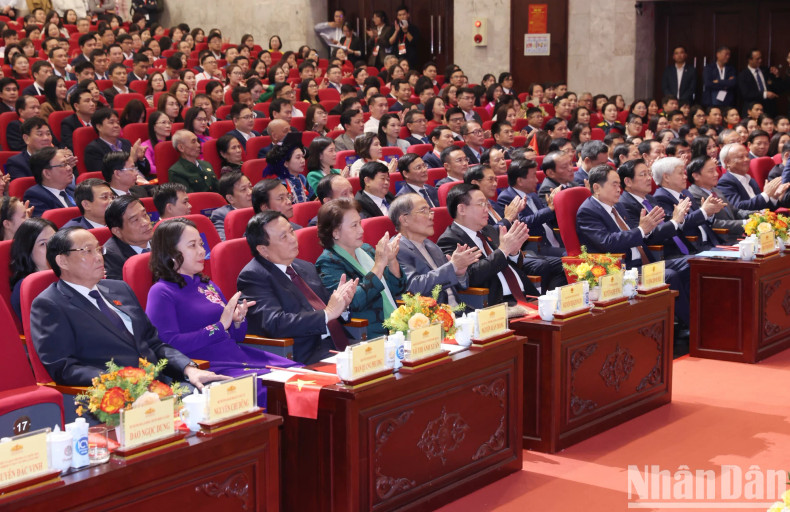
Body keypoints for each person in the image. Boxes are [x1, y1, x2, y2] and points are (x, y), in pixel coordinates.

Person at [30, 226, 226, 388]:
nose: (99, 257)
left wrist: (187, 368)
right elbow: (64, 368)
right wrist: (121, 379)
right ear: (62, 261)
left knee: (224, 399)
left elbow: (154, 343)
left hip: (162, 383)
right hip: (114, 395)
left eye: (99, 249)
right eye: (88, 251)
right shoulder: (50, 304)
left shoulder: (119, 288)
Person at [146, 218, 298, 404]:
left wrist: (236, 321)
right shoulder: (161, 292)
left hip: (237, 356)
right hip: (208, 366)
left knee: (301, 375)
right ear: (170, 252)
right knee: (274, 390)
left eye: (201, 244)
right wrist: (220, 326)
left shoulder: (206, 283)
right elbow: (168, 345)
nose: (202, 251)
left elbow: (236, 336)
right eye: (192, 246)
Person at [576, 165, 691, 334]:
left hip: (642, 263)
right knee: (668, 276)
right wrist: (641, 230)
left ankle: (683, 321)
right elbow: (607, 243)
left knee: (690, 263)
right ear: (596, 187)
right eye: (614, 184)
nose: (619, 189)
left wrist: (649, 228)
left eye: (619, 184)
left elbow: (640, 236)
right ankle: (691, 325)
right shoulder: (588, 211)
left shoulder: (618, 207)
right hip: (622, 270)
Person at [238, 211, 358, 363]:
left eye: (291, 231)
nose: (293, 239)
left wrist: (343, 305)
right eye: (284, 237)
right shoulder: (253, 276)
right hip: (304, 354)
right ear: (263, 249)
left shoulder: (305, 266)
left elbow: (331, 308)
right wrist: (327, 313)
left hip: (341, 343)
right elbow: (275, 323)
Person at [315, 198, 406, 338]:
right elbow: (353, 302)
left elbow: (397, 288)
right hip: (369, 332)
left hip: (397, 324)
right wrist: (379, 265)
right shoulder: (328, 263)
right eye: (354, 226)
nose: (361, 230)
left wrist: (392, 260)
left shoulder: (366, 249)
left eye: (360, 223)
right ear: (335, 233)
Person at [436, 184, 538, 305]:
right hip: (498, 303)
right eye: (481, 204)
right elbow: (470, 277)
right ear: (462, 209)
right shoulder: (450, 240)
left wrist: (514, 253)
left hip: (527, 294)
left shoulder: (488, 230)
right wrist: (503, 250)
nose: (487, 210)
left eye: (487, 204)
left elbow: (515, 266)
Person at [389, 193, 477, 306]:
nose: (431, 216)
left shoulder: (431, 245)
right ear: (405, 220)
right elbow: (412, 288)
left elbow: (455, 285)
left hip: (458, 309)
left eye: (430, 211)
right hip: (430, 315)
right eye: (423, 211)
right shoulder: (396, 249)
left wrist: (459, 273)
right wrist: (452, 266)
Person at [497, 158, 564, 256]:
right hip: (537, 246)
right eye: (533, 176)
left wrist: (555, 205)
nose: (537, 180)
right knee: (573, 257)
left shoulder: (532, 195)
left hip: (554, 240)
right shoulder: (507, 197)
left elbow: (546, 217)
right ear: (520, 181)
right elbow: (523, 223)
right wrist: (549, 208)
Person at [686, 155, 751, 244]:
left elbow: (735, 211)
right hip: (720, 241)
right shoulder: (693, 195)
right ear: (696, 176)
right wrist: (745, 223)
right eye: (711, 171)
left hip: (737, 237)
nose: (716, 174)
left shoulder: (715, 190)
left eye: (716, 170)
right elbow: (712, 223)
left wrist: (756, 214)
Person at [718, 142, 788, 210]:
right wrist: (766, 194)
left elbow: (762, 207)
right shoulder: (725, 182)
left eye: (747, 156)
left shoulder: (750, 180)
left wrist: (774, 197)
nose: (747, 159)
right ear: (727, 162)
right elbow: (738, 207)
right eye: (741, 157)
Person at [9, 217, 56, 319]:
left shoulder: (68, 273)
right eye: (43, 244)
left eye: (54, 240)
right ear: (28, 251)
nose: (52, 247)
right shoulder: (27, 288)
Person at [84, 108, 151, 176]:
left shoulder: (126, 143)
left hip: (143, 182)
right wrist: (131, 160)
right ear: (99, 127)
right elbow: (106, 176)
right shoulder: (93, 149)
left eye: (118, 122)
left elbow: (146, 171)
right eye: (111, 122)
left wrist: (141, 159)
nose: (116, 126)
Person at [103, 195, 153, 280]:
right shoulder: (111, 257)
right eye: (135, 220)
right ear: (117, 231)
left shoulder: (164, 239)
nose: (145, 222)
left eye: (144, 215)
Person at [23, 146, 77, 217]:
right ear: (47, 173)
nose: (69, 168)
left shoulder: (73, 190)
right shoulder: (35, 196)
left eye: (67, 164)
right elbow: (48, 225)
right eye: (63, 165)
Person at [211, 170, 252, 240]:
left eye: (251, 187)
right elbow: (225, 243)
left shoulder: (262, 206)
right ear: (230, 198)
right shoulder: (222, 215)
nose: (250, 192)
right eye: (243, 189)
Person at [737, 49, 779, 116]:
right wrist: (765, 94)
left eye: (761, 58)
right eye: (757, 59)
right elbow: (746, 94)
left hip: (769, 108)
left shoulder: (766, 70)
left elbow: (776, 87)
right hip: (753, 109)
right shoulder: (743, 75)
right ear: (750, 60)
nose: (760, 61)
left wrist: (777, 75)